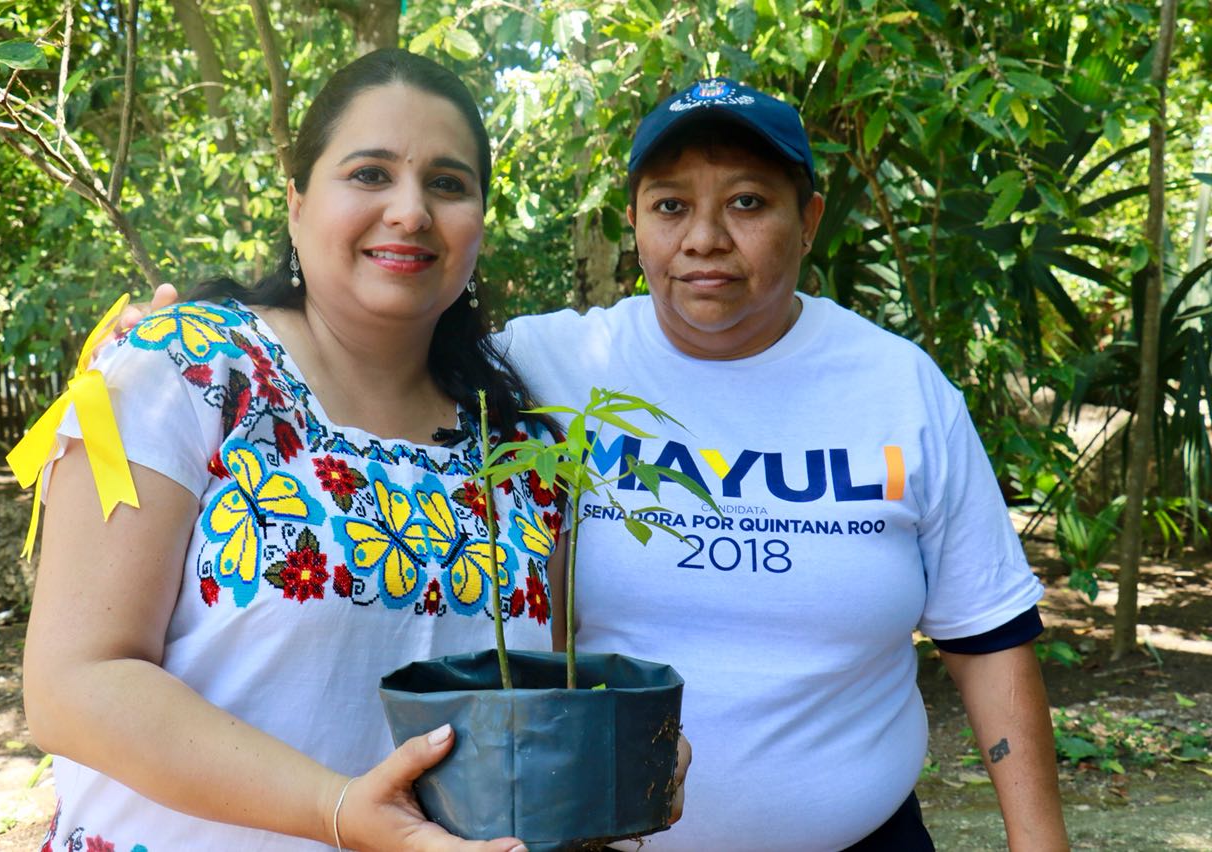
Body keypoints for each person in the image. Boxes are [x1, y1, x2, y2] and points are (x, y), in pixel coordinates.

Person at [123, 76, 1068, 850]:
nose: (705, 238)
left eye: (748, 203)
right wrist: (170, 349)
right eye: (671, 206)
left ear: (808, 217)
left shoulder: (900, 389)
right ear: (634, 223)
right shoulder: (536, 370)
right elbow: (366, 345)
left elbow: (986, 638)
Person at [22, 49, 563, 852]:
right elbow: (73, 684)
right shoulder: (184, 369)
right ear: (296, 203)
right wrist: (338, 810)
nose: (411, 211)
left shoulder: (519, 445)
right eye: (370, 174)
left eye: (448, 183)